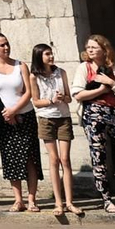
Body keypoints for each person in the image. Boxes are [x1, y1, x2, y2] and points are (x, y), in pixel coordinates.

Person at [74, 34, 115, 213]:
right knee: (99, 156)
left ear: (104, 49)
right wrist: (101, 89)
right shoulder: (84, 68)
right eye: (88, 47)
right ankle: (107, 199)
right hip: (93, 113)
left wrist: (111, 82)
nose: (90, 50)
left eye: (94, 47)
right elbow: (78, 94)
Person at [0, 32, 40, 212]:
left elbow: (28, 92)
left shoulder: (20, 65)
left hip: (25, 115)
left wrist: (15, 110)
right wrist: (5, 115)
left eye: (7, 44)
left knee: (30, 158)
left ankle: (32, 199)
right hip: (4, 119)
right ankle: (18, 199)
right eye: (2, 45)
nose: (6, 48)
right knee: (11, 159)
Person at [29, 44, 81, 215]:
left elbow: (69, 98)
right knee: (54, 159)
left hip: (63, 117)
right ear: (39, 56)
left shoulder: (61, 72)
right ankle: (58, 203)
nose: (51, 57)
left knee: (65, 159)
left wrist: (62, 98)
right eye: (47, 54)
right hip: (46, 118)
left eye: (51, 54)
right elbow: (35, 101)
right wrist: (50, 100)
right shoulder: (34, 77)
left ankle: (70, 202)